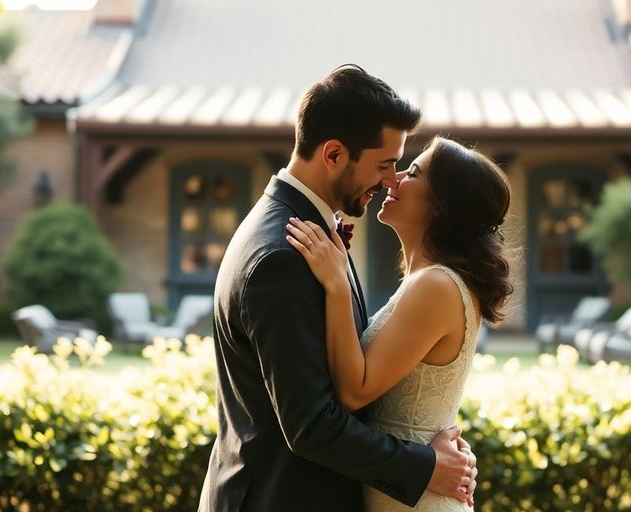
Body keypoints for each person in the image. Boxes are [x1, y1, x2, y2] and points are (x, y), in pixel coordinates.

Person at [198, 65, 476, 512]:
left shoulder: (307, 232)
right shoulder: (282, 257)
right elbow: (311, 426)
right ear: (333, 154)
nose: (391, 180)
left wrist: (433, 438)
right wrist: (425, 465)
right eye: (384, 164)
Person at [286, 136, 513, 511]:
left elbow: (355, 391)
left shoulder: (436, 284)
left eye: (414, 172)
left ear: (441, 206)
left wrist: (337, 285)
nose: (394, 179)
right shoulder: (428, 280)